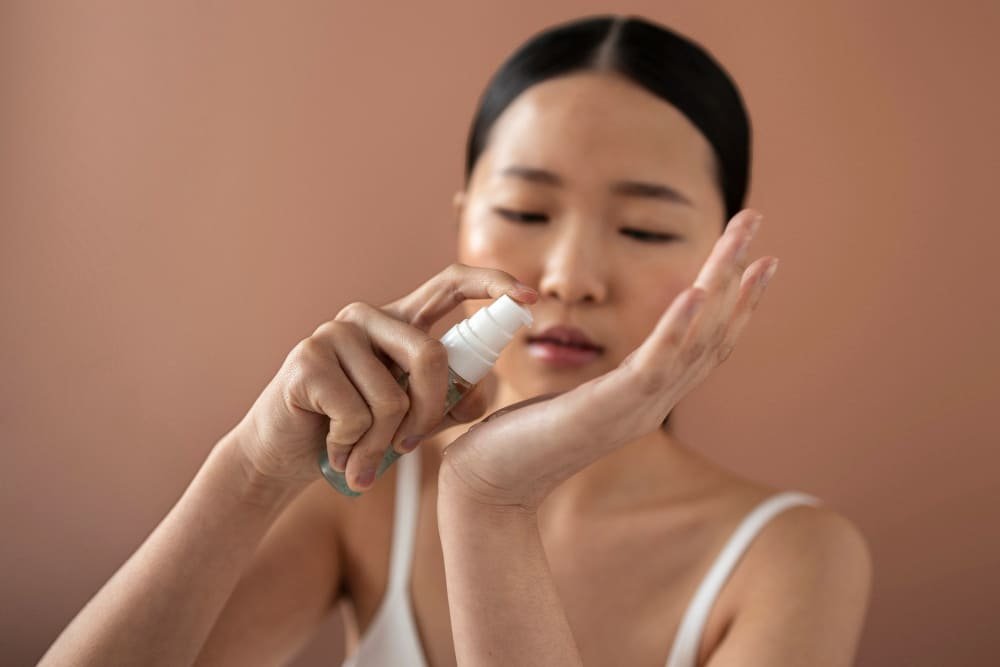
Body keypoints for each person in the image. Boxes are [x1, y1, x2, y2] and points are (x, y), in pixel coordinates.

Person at [40, 14, 872, 667]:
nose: (572, 276)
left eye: (646, 227)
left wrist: (490, 505)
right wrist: (251, 470)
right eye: (524, 214)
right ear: (463, 221)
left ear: (721, 260)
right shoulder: (363, 496)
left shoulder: (793, 558)